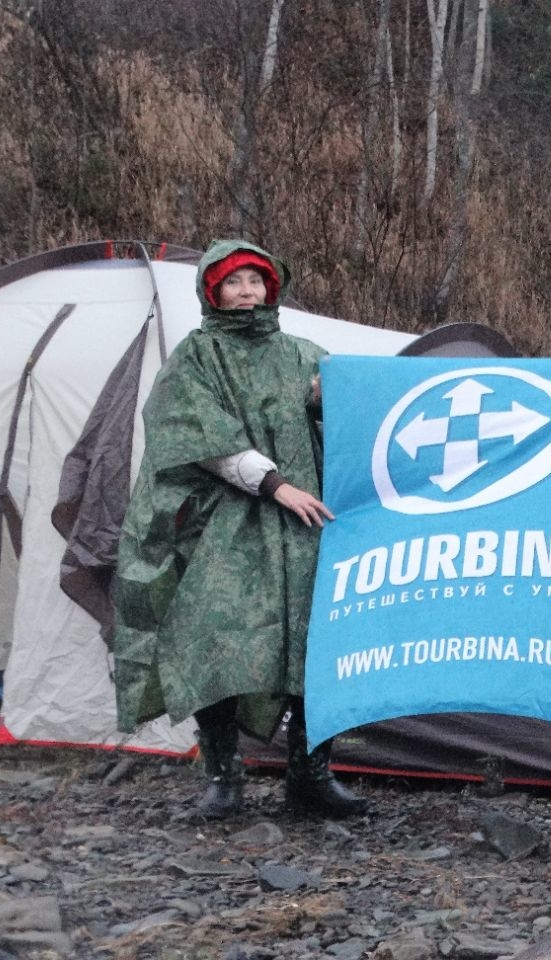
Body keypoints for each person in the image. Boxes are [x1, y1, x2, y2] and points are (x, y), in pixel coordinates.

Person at [112, 239, 368, 821]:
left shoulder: (302, 353)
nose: (248, 291)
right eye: (235, 282)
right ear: (213, 290)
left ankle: (311, 777)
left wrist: (337, 397)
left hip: (306, 527)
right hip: (226, 528)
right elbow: (196, 434)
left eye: (256, 280)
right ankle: (224, 780)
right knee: (216, 643)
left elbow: (351, 407)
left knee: (313, 646)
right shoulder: (197, 356)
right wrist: (275, 485)